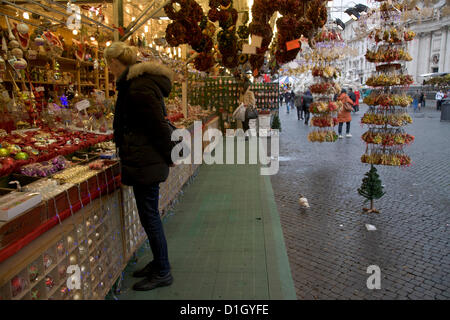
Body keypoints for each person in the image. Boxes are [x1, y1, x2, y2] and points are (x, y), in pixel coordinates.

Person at [104, 42, 174, 291]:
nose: (108, 69)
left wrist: (168, 156)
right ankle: (158, 263)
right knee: (149, 216)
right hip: (144, 159)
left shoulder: (137, 87)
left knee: (150, 217)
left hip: (146, 161)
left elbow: (157, 127)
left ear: (114, 63)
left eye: (108, 64)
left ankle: (163, 270)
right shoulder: (135, 84)